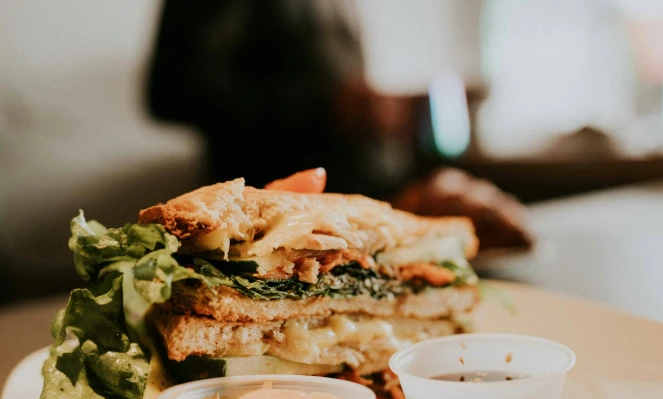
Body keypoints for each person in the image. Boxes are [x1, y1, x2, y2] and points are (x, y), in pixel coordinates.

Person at [146, 0, 534, 251]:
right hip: (258, 231)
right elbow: (170, 92)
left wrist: (385, 116)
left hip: (353, 224)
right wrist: (325, 106)